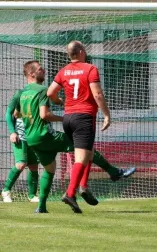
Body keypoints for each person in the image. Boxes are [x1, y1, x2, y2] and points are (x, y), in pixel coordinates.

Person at [13, 61, 135, 212]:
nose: (44, 70)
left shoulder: (22, 93)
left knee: (50, 169)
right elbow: (44, 115)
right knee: (85, 149)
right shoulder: (42, 91)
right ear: (32, 74)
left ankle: (41, 207)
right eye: (40, 69)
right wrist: (62, 118)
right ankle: (111, 173)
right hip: (46, 135)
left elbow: (16, 114)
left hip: (31, 139)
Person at [47, 41, 119, 212]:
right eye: (84, 50)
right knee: (81, 157)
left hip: (68, 118)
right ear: (80, 52)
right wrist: (107, 114)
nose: (85, 52)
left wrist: (59, 101)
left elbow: (50, 93)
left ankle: (84, 187)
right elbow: (98, 94)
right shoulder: (90, 69)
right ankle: (70, 193)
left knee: (88, 152)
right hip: (84, 117)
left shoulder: (64, 71)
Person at [2, 93, 39, 203]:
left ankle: (32, 195)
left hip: (33, 137)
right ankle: (6, 190)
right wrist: (12, 132)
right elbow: (9, 113)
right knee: (21, 164)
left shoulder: (40, 94)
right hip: (20, 137)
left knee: (33, 166)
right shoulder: (20, 94)